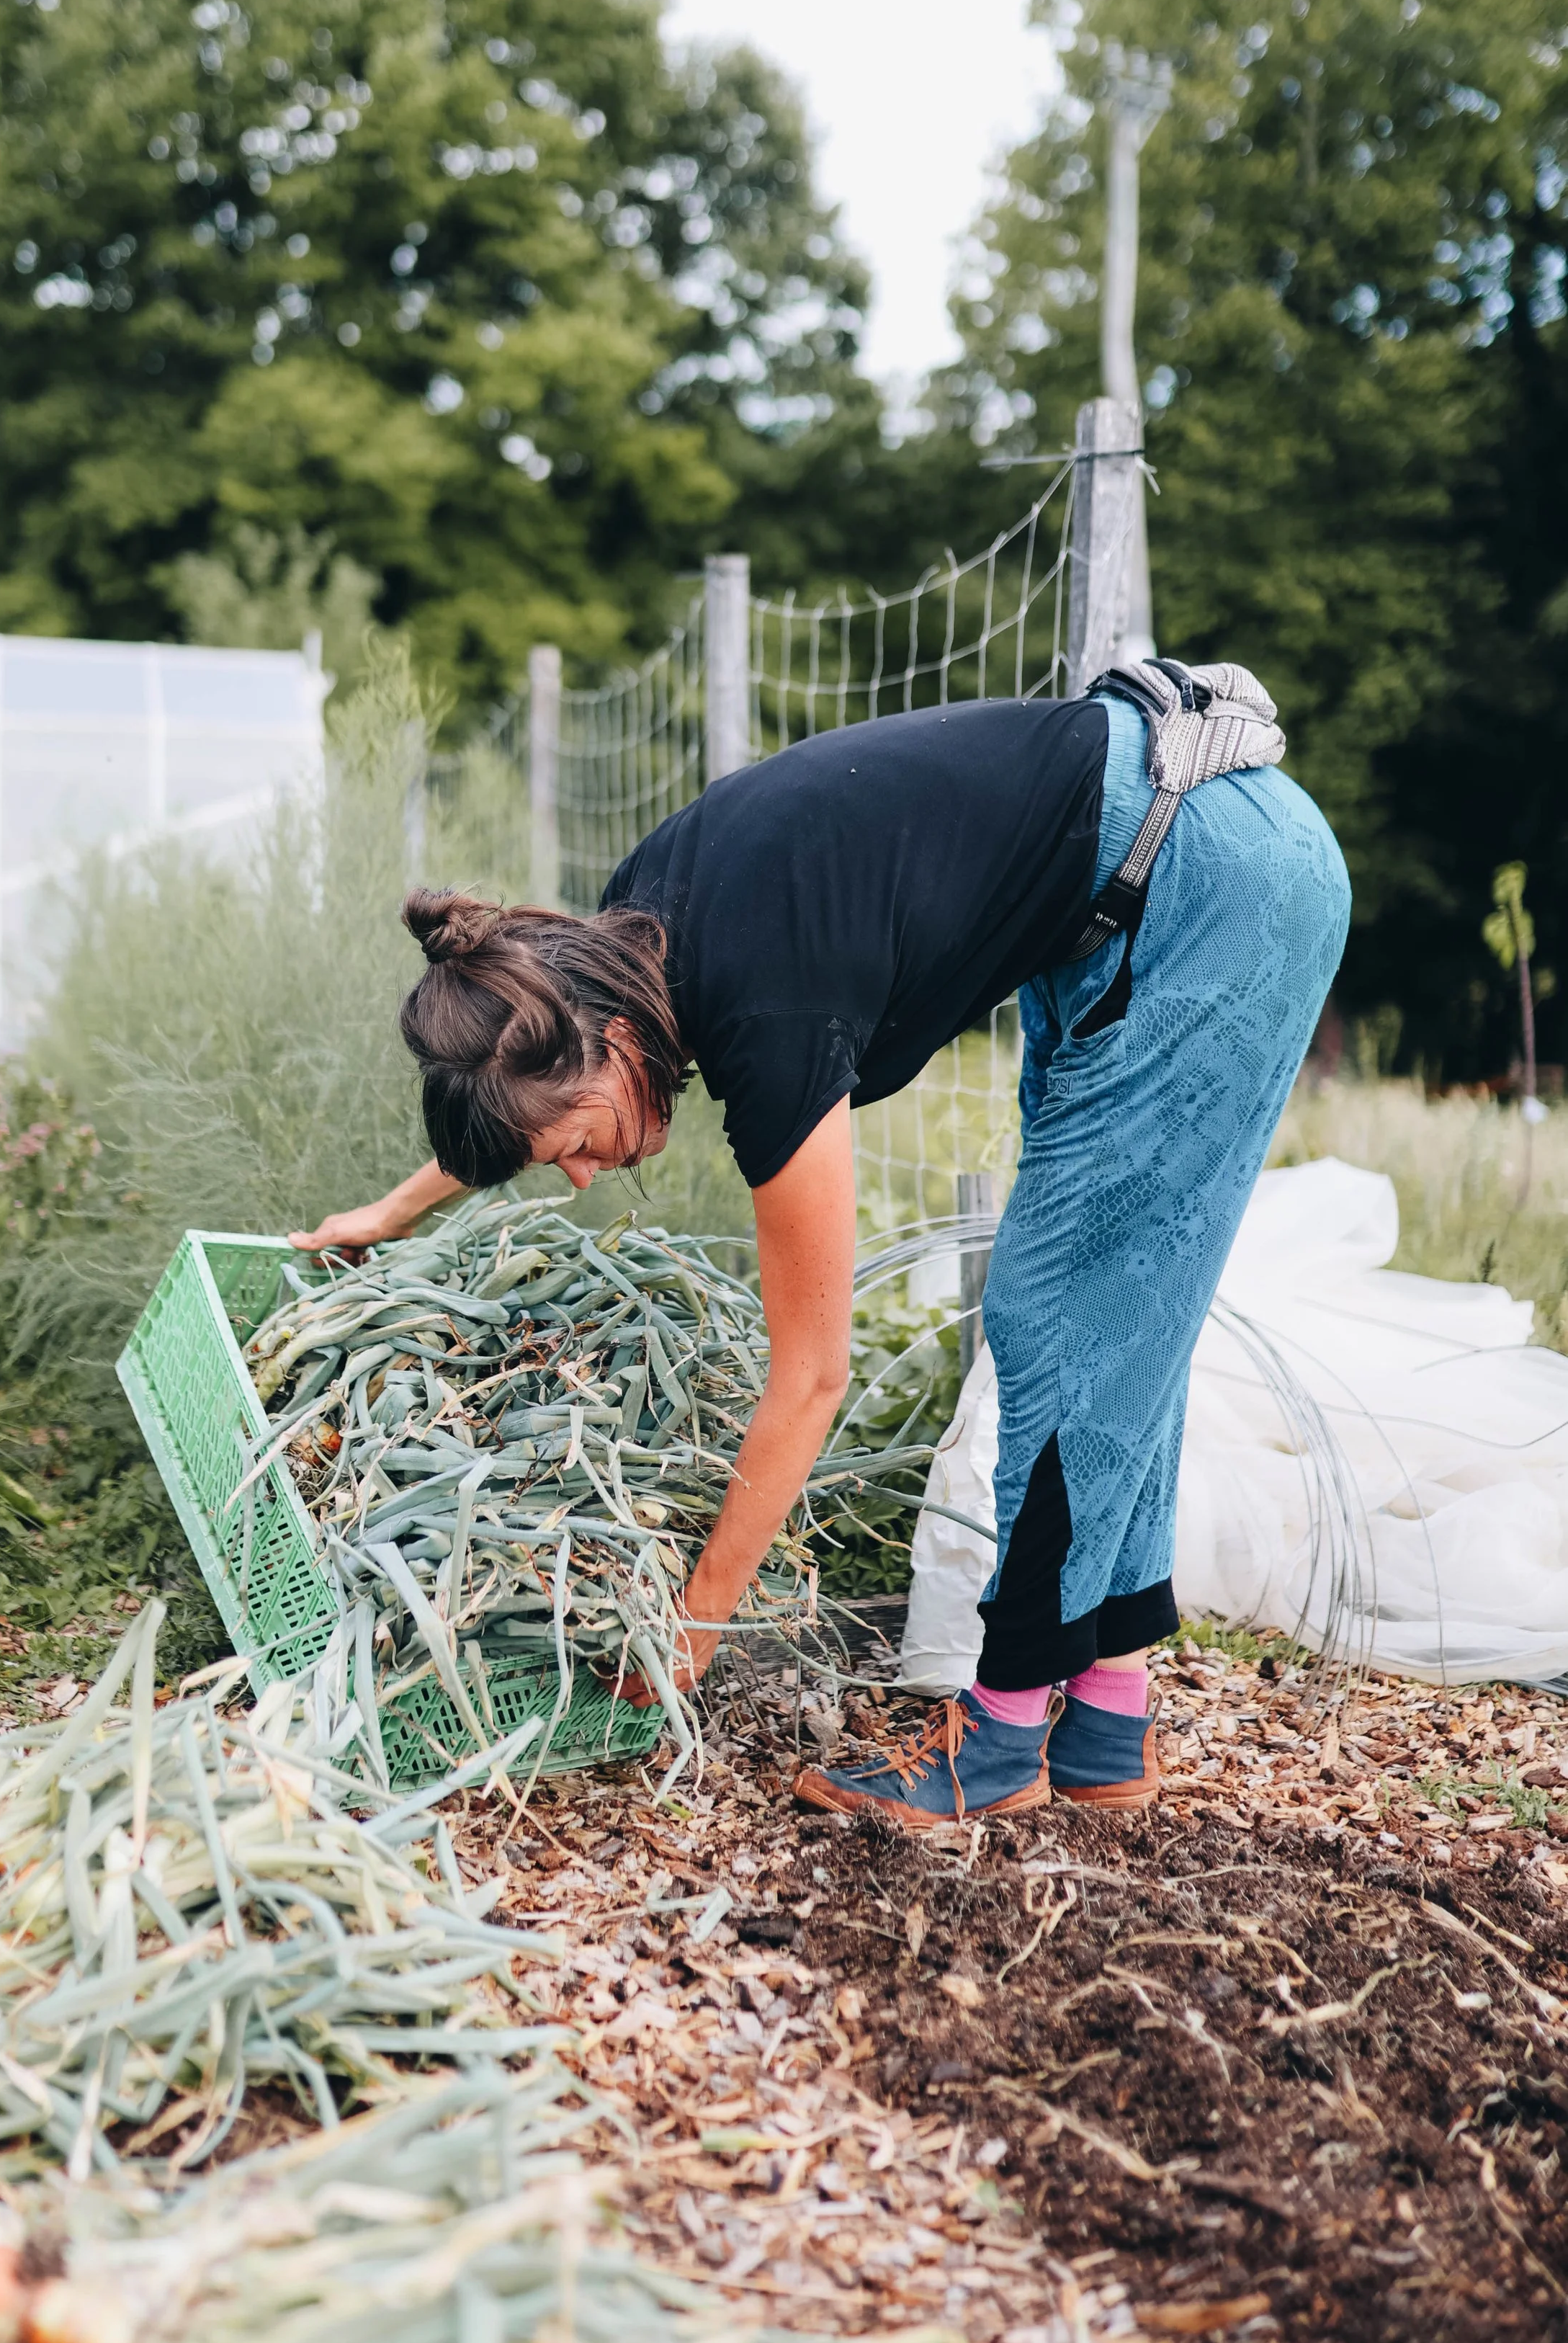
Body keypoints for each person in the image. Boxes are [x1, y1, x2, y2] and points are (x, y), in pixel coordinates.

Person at [294, 670, 1350, 1824]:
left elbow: (811, 1380)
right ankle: (1104, 1723)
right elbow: (521, 1078)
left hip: (1217, 886)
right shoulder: (614, 941)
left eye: (577, 1146)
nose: (589, 1173)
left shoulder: (763, 1005)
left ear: (603, 1044)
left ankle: (998, 1741)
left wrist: (684, 1632)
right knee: (1119, 1308)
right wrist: (395, 1209)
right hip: (1146, 881)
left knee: (1059, 1313)